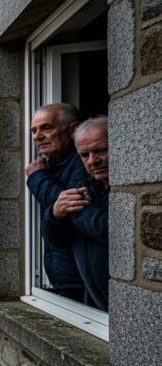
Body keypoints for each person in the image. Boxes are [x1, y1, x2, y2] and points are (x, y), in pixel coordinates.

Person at [44, 117, 109, 311]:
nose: (93, 160)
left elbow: (115, 230)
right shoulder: (88, 186)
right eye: (84, 154)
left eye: (100, 150)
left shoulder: (129, 191)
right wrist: (55, 214)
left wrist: (74, 210)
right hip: (95, 306)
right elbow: (58, 241)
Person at [24, 103, 85, 300]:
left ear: (73, 130)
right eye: (34, 130)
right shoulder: (51, 164)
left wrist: (37, 178)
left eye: (46, 128)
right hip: (62, 276)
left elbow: (71, 208)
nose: (37, 136)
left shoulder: (84, 161)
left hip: (82, 278)